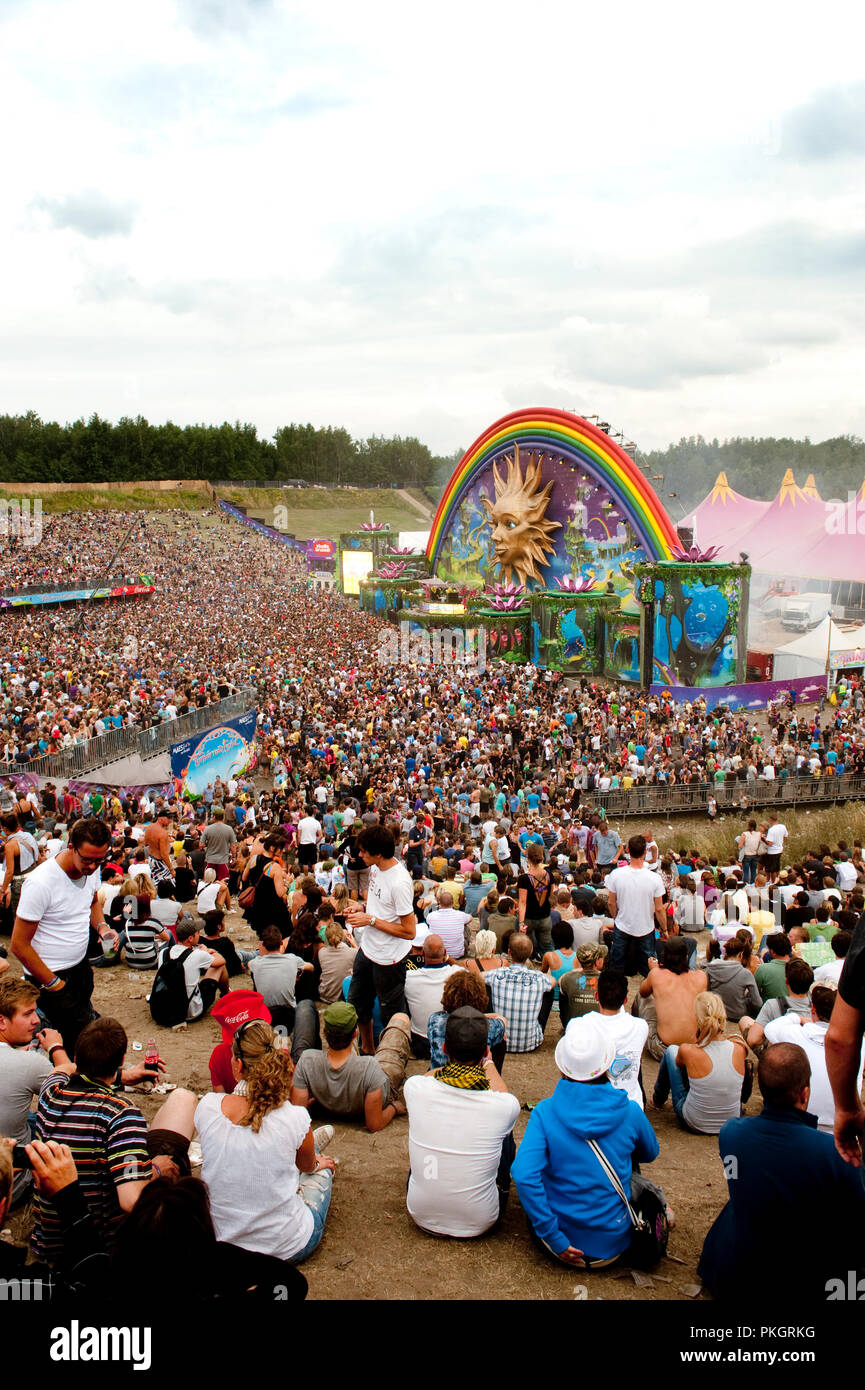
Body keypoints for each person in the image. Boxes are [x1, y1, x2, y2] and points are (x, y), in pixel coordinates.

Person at [698, 1042, 865, 1300]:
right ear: (805, 1094)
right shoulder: (834, 1153)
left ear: (761, 1090)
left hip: (736, 1278)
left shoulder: (732, 1132)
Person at [33, 1016, 197, 1263]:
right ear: (120, 1060)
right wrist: (156, 1171)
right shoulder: (120, 1113)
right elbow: (131, 1199)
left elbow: (62, 1068)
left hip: (49, 1242)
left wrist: (122, 1076)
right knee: (183, 1100)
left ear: (78, 1058)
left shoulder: (50, 1092)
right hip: (101, 1249)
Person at [511, 1013, 661, 1268]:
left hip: (559, 1243)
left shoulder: (545, 1113)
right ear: (607, 1063)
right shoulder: (630, 1112)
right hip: (614, 1244)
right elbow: (650, 1153)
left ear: (562, 1066)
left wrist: (553, 1236)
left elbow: (524, 1174)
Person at [195, 1019, 336, 1264]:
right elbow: (306, 1167)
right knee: (320, 1171)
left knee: (280, 1156)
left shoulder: (207, 1108)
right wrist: (314, 1165)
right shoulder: (294, 1117)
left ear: (238, 1066)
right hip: (285, 1247)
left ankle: (301, 1151)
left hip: (223, 1244)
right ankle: (309, 1152)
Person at [404, 1006, 519, 1238]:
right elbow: (503, 1094)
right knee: (505, 1137)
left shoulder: (415, 1088)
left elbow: (430, 1075)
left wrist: (450, 1068)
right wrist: (489, 1063)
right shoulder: (502, 1106)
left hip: (421, 1212)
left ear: (445, 1048)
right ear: (486, 1050)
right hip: (480, 1219)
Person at [11, 817, 117, 1054]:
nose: (92, 866)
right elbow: (18, 945)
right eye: (87, 859)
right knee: (70, 1044)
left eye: (99, 860)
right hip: (50, 978)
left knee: (79, 1039)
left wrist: (102, 927)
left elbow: (91, 901)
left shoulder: (92, 870)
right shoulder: (41, 883)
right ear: (71, 847)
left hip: (79, 969)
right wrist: (53, 983)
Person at [344, 825, 417, 1056]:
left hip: (390, 958)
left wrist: (371, 920)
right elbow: (380, 905)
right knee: (358, 1003)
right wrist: (362, 907)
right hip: (368, 949)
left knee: (391, 1014)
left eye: (364, 851)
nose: (359, 855)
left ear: (378, 853)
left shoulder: (400, 882)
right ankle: (368, 1048)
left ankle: (390, 1058)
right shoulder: (375, 868)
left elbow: (409, 931)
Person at [290, 1000, 410, 1131]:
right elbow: (374, 1124)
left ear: (324, 1032)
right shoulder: (370, 1066)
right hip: (369, 1080)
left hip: (350, 1078)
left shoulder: (307, 1060)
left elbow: (297, 1115)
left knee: (343, 1027)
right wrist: (394, 1108)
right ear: (355, 1034)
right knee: (401, 1017)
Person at [650, 992, 748, 1132]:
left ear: (697, 1019)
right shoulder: (739, 1048)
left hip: (694, 1122)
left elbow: (679, 1066)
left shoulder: (688, 1051)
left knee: (672, 1050)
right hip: (731, 1120)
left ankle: (658, 1099)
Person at [604, 833, 665, 977]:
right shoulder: (654, 878)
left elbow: (611, 902)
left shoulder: (616, 874)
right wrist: (664, 928)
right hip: (645, 926)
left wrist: (616, 916)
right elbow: (659, 908)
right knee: (650, 963)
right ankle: (650, 989)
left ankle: (615, 988)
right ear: (645, 852)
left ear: (627, 851)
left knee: (617, 961)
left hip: (623, 923)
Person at [635, 937, 707, 1060]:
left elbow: (643, 992)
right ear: (686, 957)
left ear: (664, 957)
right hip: (693, 1047)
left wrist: (653, 970)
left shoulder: (656, 974)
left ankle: (634, 1038)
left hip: (663, 1048)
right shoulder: (701, 977)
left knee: (642, 997)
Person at [484, 932, 553, 1053]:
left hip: (500, 1041)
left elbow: (479, 976)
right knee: (548, 990)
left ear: (509, 952)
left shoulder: (496, 974)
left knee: (486, 985)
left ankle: (492, 1025)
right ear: (531, 952)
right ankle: (536, 1029)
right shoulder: (539, 978)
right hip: (530, 1043)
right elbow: (553, 981)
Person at [589, 969, 648, 1108]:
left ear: (596, 996)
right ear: (625, 999)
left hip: (595, 1106)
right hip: (632, 1106)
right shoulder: (641, 1026)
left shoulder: (581, 1024)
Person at [403, 935, 465, 1056]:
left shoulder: (409, 977)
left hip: (420, 1043)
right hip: (449, 1042)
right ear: (445, 953)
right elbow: (469, 973)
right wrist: (448, 958)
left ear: (423, 954)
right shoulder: (458, 974)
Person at [161, 917, 229, 1022]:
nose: (200, 935)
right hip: (189, 1012)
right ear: (190, 938)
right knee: (219, 967)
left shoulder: (163, 953)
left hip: (166, 1009)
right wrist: (208, 951)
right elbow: (221, 961)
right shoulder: (197, 954)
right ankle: (226, 995)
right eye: (198, 933)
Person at [248, 924, 313, 1033]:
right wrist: (297, 973)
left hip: (266, 1013)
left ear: (263, 945)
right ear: (281, 943)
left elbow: (250, 964)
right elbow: (311, 967)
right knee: (306, 972)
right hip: (289, 1013)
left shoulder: (256, 963)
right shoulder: (292, 959)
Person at [516, 842, 554, 956]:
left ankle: (531, 962)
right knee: (547, 945)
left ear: (528, 857)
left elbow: (522, 902)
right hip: (545, 915)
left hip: (529, 917)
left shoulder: (524, 878)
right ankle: (550, 966)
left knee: (527, 945)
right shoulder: (549, 874)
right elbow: (551, 892)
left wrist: (521, 923)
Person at [424, 891, 472, 959]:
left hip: (437, 954)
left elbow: (428, 921)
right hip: (457, 954)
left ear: (439, 904)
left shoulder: (431, 916)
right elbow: (470, 918)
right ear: (452, 903)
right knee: (465, 927)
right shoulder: (460, 915)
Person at [202, 806, 237, 883]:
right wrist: (234, 856)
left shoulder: (207, 829)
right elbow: (233, 846)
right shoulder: (229, 829)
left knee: (208, 881)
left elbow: (201, 845)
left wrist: (209, 843)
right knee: (223, 883)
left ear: (214, 817)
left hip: (210, 859)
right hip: (223, 860)